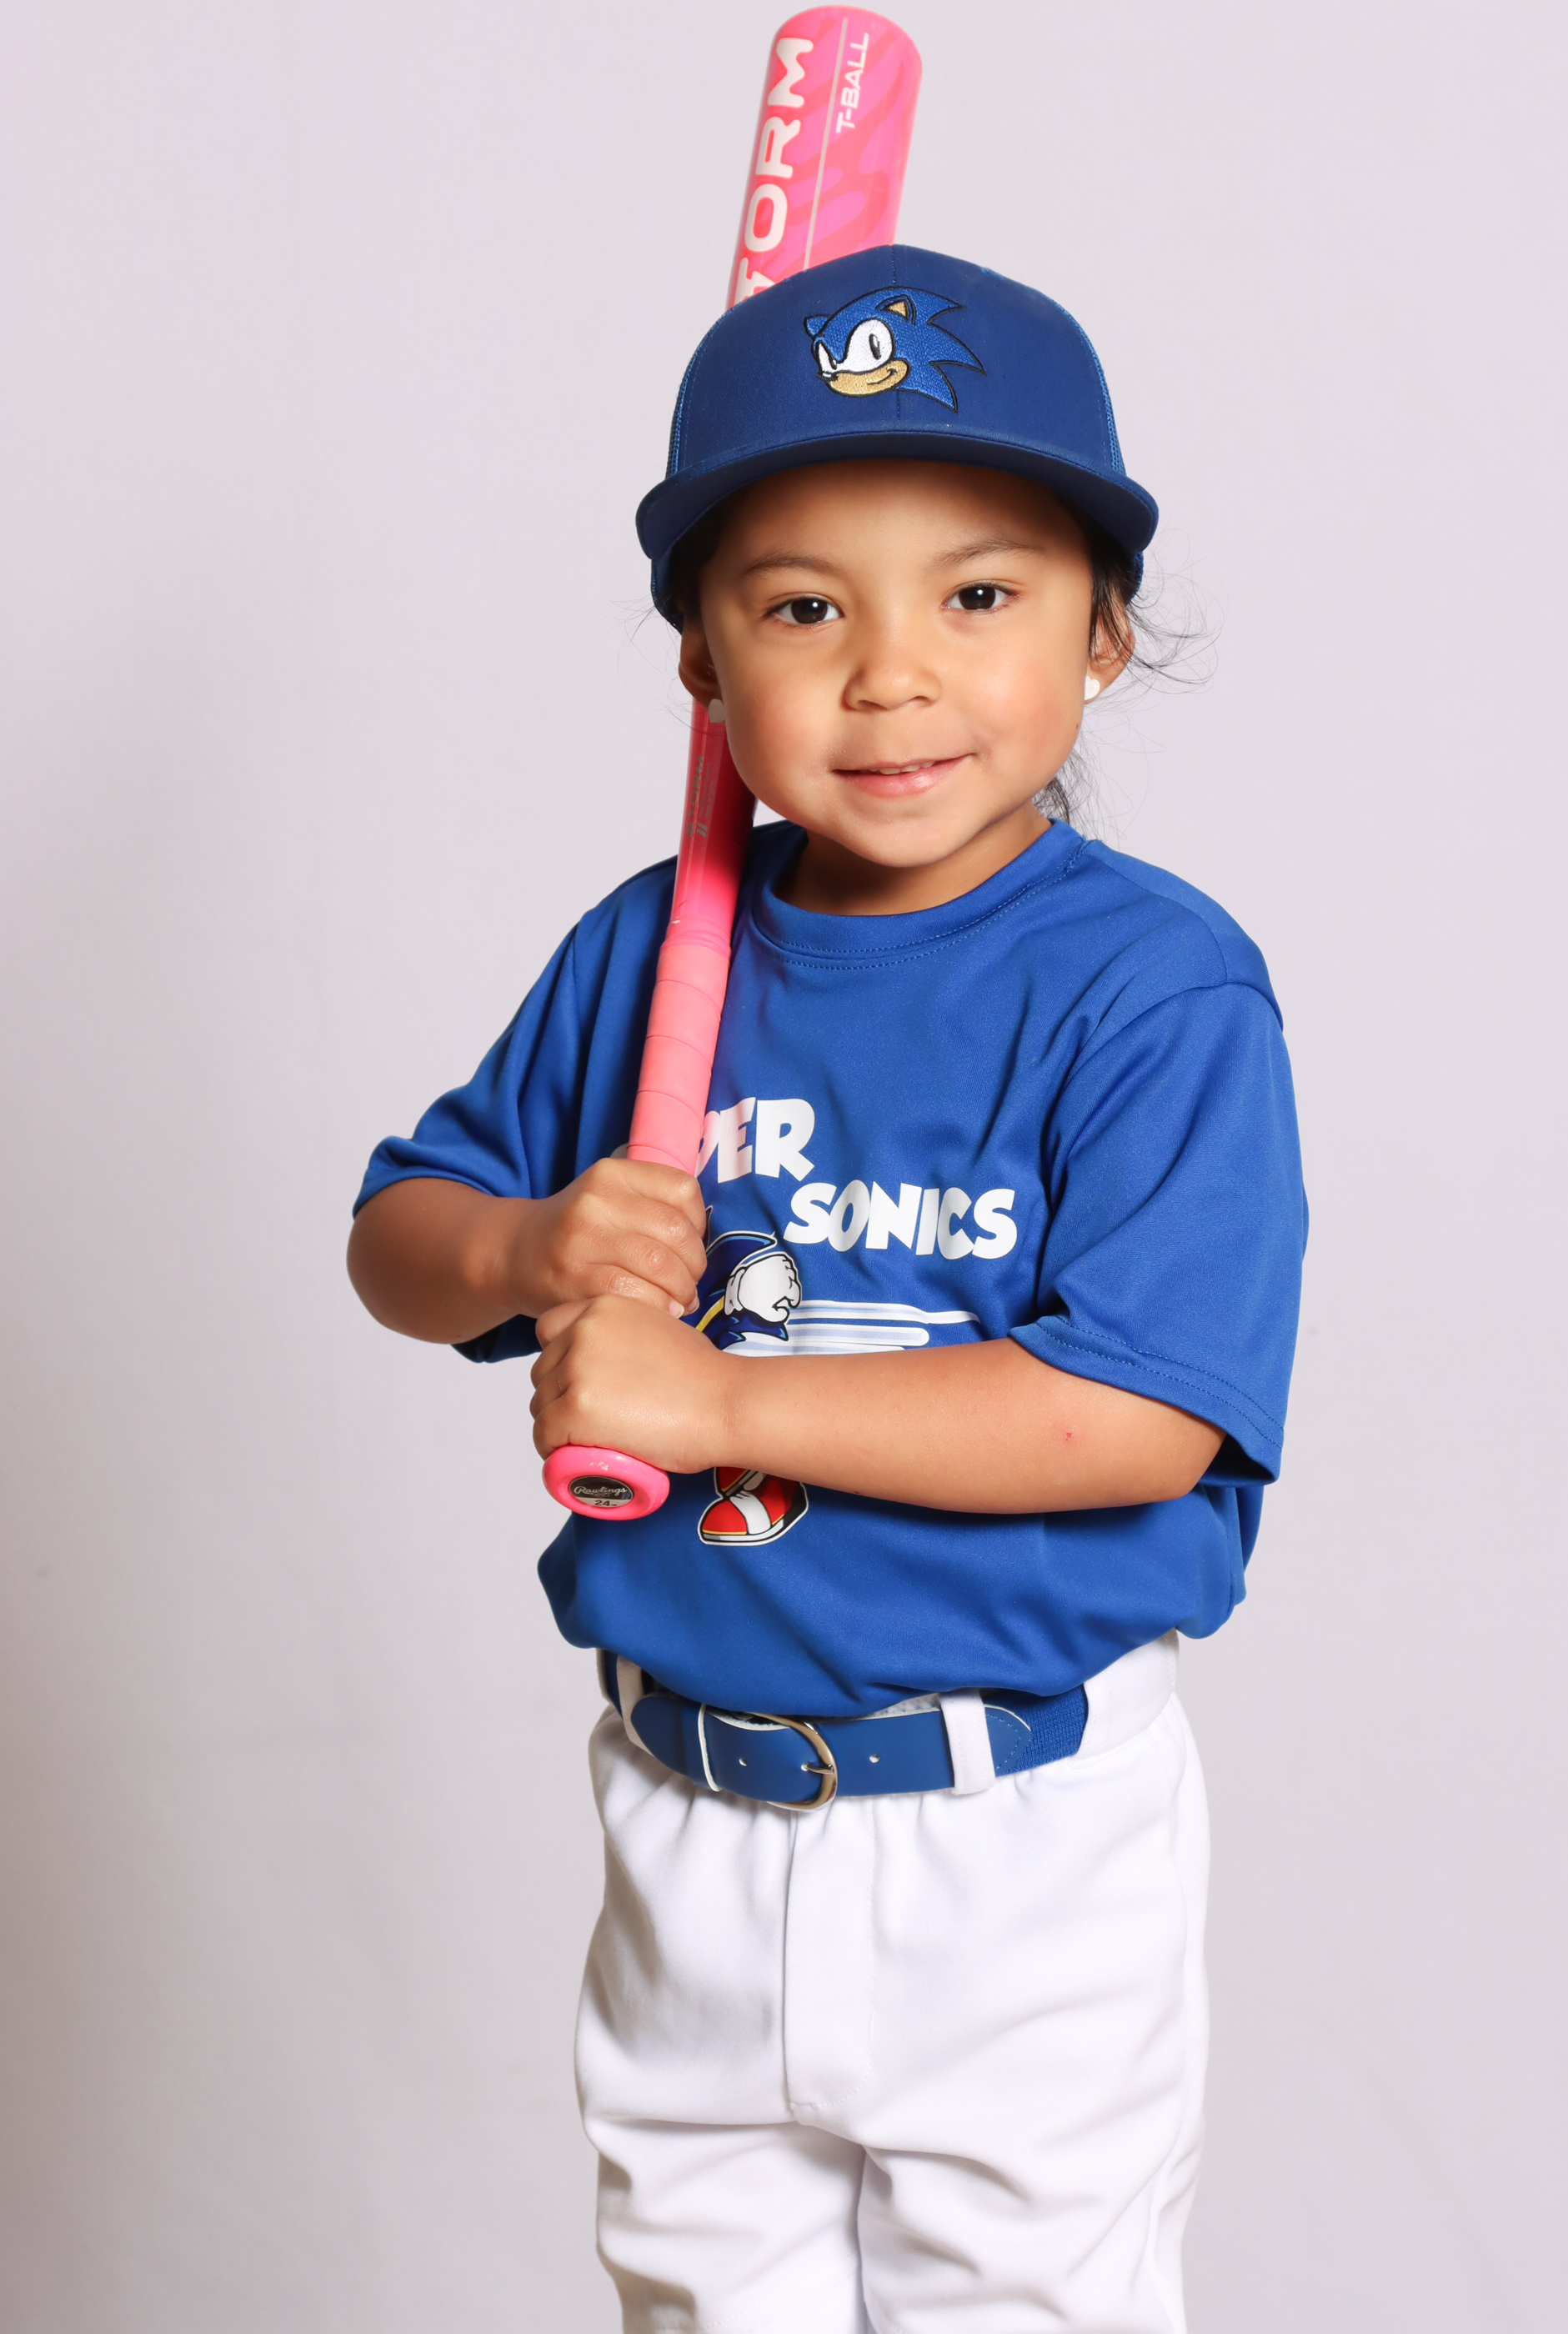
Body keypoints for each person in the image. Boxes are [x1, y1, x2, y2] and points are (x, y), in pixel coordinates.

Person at [348, 244, 1305, 2334]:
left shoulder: (1150, 987)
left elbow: (1131, 1412)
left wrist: (714, 1403)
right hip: (686, 1813)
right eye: (801, 607)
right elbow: (399, 1235)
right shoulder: (644, 952)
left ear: (1104, 630)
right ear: (701, 660)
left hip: (1015, 1835)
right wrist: (530, 1245)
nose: (889, 674)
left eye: (979, 594)